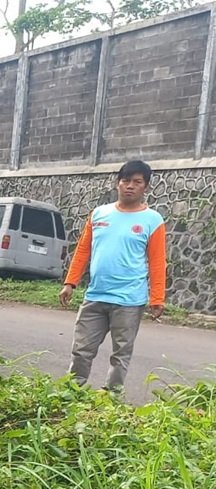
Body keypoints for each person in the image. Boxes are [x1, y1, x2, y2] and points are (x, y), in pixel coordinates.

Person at [59, 160, 166, 392]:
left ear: (145, 187)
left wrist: (157, 297)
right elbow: (83, 250)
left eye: (137, 182)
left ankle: (111, 398)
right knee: (81, 349)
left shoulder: (153, 220)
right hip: (96, 296)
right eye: (125, 180)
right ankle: (71, 393)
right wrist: (70, 282)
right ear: (117, 183)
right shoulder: (99, 214)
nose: (130, 186)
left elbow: (157, 261)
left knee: (121, 355)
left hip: (129, 300)